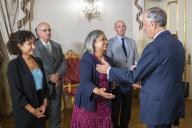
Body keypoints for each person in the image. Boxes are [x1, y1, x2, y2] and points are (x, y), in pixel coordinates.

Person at [96, 7, 185, 128]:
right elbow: (165, 71)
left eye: (144, 24)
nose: (143, 27)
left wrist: (109, 70)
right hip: (172, 102)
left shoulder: (153, 47)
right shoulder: (178, 43)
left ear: (153, 24)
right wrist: (143, 76)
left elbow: (134, 76)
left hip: (158, 106)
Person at [71, 30, 115, 128]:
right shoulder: (87, 59)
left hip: (105, 102)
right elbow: (85, 82)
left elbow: (112, 78)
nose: (106, 41)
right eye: (102, 39)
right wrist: (98, 91)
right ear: (93, 43)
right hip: (89, 102)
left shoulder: (109, 60)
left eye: (106, 39)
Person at [7, 30, 49, 128]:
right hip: (25, 110)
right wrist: (33, 111)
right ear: (19, 46)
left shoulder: (38, 61)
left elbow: (44, 86)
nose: (34, 47)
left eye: (34, 43)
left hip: (41, 106)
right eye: (29, 44)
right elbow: (16, 93)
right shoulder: (13, 66)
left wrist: (45, 104)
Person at [34, 22, 67, 128]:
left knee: (56, 114)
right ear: (38, 32)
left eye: (49, 30)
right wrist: (49, 77)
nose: (48, 32)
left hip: (57, 83)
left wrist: (58, 75)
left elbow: (64, 62)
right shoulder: (33, 47)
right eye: (44, 30)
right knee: (41, 115)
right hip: (42, 85)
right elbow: (34, 66)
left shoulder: (57, 46)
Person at [106, 20, 138, 128]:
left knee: (127, 106)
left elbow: (136, 60)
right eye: (119, 26)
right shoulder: (110, 42)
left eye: (123, 26)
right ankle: (114, 125)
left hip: (129, 80)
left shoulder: (132, 42)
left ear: (125, 28)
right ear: (115, 29)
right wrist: (113, 79)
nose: (121, 28)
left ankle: (125, 125)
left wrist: (136, 76)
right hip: (117, 80)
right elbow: (108, 62)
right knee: (116, 106)